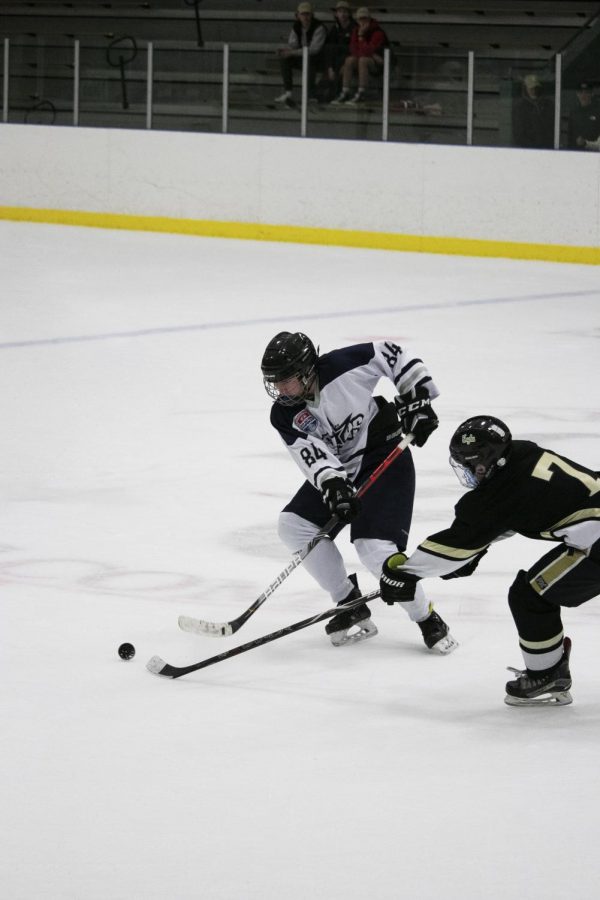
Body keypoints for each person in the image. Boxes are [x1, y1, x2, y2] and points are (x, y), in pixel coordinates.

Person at [378, 415, 600, 706]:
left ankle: (547, 675)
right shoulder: (523, 455)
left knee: (530, 596)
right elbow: (514, 515)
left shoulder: (501, 491)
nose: (468, 471)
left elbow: (458, 542)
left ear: (488, 460)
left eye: (470, 463)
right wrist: (474, 550)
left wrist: (406, 573)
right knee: (532, 592)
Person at [261, 331, 457, 653]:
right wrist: (334, 486)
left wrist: (417, 397)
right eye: (274, 381)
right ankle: (349, 603)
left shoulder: (341, 366)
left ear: (307, 370)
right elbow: (311, 455)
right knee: (294, 525)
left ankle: (427, 618)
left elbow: (389, 352)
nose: (280, 389)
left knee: (373, 548)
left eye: (286, 380)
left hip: (385, 455)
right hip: (343, 468)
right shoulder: (283, 413)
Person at [331, 7, 389, 105]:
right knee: (349, 60)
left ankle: (362, 92)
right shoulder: (355, 30)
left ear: (369, 19)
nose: (362, 22)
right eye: (360, 19)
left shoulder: (377, 32)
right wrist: (365, 51)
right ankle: (345, 91)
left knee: (363, 60)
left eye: (365, 19)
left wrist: (361, 37)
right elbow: (353, 50)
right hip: (367, 57)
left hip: (379, 63)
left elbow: (370, 50)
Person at [275, 2, 327, 108]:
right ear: (297, 15)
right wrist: (285, 51)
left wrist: (292, 52)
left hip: (319, 59)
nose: (305, 17)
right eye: (303, 14)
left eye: (307, 14)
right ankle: (288, 92)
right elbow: (293, 44)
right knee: (285, 59)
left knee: (309, 60)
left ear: (312, 15)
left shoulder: (319, 27)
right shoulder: (296, 26)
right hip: (303, 56)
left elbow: (314, 50)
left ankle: (310, 95)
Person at [319, 1, 356, 104]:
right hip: (336, 61)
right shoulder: (335, 28)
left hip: (348, 59)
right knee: (330, 67)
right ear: (336, 14)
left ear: (349, 13)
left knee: (339, 65)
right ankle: (323, 94)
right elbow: (328, 48)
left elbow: (354, 48)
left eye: (345, 12)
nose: (343, 14)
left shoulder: (355, 28)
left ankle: (335, 94)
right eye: (340, 12)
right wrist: (329, 67)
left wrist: (346, 63)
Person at [512, 74, 554, 149]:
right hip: (527, 150)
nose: (534, 90)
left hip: (545, 149)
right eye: (531, 88)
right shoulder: (519, 107)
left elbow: (550, 128)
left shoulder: (548, 104)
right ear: (525, 88)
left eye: (536, 87)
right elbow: (518, 135)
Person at [567, 82, 600, 150]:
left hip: (594, 154)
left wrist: (586, 143)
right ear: (577, 94)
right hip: (576, 153)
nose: (583, 95)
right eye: (580, 92)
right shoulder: (573, 113)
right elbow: (570, 136)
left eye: (587, 92)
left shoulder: (598, 112)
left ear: (592, 94)